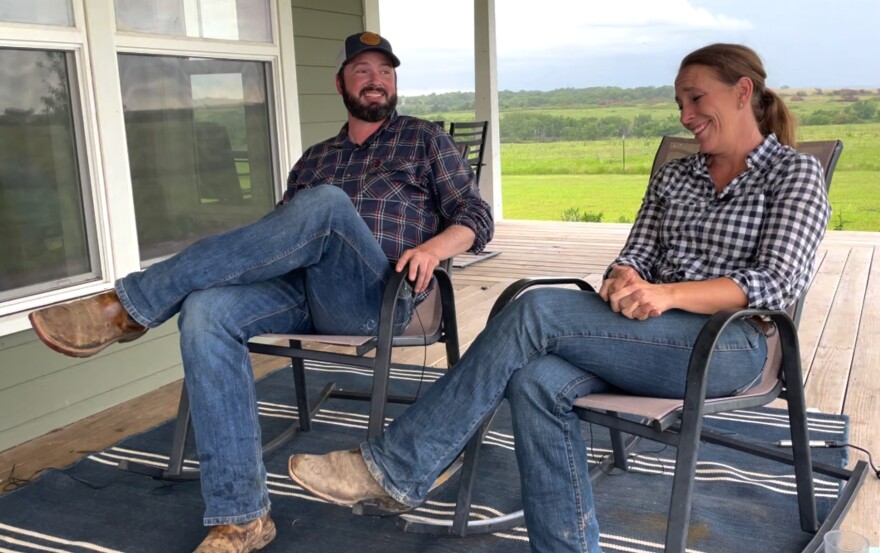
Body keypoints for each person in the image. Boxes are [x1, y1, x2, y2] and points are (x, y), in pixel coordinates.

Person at [287, 43, 831, 553]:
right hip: (647, 334)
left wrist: (665, 295)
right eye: (680, 103)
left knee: (536, 309)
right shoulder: (676, 175)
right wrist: (624, 279)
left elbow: (777, 283)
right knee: (534, 379)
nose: (685, 116)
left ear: (742, 92)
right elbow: (635, 252)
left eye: (696, 99)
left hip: (730, 346)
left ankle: (395, 467)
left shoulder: (793, 173)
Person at [28, 31, 493, 553]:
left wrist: (434, 248)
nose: (376, 80)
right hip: (304, 292)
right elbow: (277, 239)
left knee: (326, 205)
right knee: (205, 310)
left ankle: (130, 305)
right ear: (340, 82)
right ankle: (241, 517)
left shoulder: (425, 139)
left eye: (385, 71)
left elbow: (475, 216)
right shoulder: (316, 158)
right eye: (362, 70)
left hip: (381, 297)